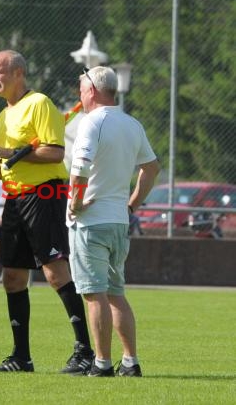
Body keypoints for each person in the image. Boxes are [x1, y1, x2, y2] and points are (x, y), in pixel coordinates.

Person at [0, 50, 93, 373]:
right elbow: (10, 161)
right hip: (14, 199)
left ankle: (85, 351)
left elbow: (55, 152)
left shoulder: (39, 103)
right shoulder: (3, 116)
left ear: (18, 73)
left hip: (44, 195)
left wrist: (11, 153)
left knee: (54, 272)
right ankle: (21, 357)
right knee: (13, 277)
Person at [67, 66, 160, 377]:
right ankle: (130, 362)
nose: (79, 95)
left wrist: (76, 203)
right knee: (117, 293)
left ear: (92, 91)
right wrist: (132, 205)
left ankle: (102, 363)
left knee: (95, 295)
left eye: (81, 89)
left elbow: (80, 169)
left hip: (91, 221)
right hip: (119, 221)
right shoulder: (132, 124)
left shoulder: (91, 122)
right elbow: (152, 168)